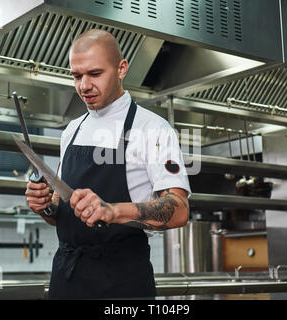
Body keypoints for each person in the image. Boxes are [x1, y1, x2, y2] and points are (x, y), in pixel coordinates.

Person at [25, 29, 191, 299]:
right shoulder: (71, 130)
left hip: (121, 283)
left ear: (121, 68)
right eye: (77, 76)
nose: (84, 86)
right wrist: (43, 205)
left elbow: (179, 209)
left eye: (95, 74)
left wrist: (113, 211)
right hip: (67, 280)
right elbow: (60, 214)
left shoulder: (152, 129)